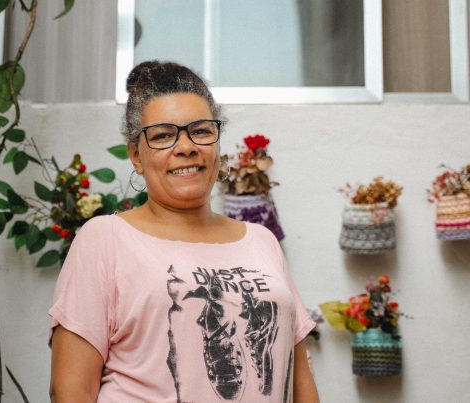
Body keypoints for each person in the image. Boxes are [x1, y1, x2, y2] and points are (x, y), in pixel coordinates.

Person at [49, 61, 320, 403]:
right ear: (136, 155)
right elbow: (70, 390)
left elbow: (300, 382)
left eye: (201, 131)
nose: (186, 146)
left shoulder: (260, 241)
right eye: (163, 135)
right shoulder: (104, 240)